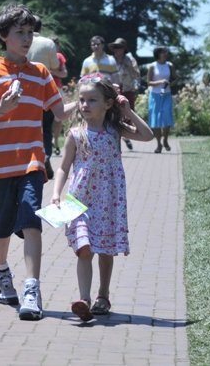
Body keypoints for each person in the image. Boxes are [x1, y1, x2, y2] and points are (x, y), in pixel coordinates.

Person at [0, 4, 76, 321]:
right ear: (4, 36)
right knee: (1, 229)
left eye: (30, 33)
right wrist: (1, 108)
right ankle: (1, 270)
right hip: (0, 165)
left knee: (31, 220)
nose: (27, 38)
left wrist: (86, 97)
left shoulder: (41, 74)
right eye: (20, 33)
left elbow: (58, 113)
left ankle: (32, 288)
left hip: (32, 162)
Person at [51, 73, 153, 322]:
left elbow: (147, 135)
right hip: (80, 201)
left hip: (109, 200)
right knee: (84, 249)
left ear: (108, 103)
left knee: (105, 249)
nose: (85, 105)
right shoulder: (75, 134)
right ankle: (84, 300)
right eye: (82, 100)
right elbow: (64, 166)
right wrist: (56, 193)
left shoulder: (114, 130)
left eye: (92, 100)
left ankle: (103, 295)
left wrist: (127, 111)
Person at [26, 15, 63, 179]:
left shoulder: (18, 41)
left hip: (25, 92)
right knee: (46, 129)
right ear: (40, 27)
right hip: (43, 92)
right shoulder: (48, 43)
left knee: (29, 128)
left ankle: (29, 161)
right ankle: (46, 156)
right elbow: (55, 65)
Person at [108, 37, 141, 150]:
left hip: (127, 90)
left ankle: (126, 135)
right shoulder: (110, 60)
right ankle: (118, 138)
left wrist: (129, 66)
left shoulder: (129, 60)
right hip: (114, 90)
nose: (117, 50)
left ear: (124, 49)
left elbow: (137, 74)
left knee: (128, 113)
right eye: (115, 47)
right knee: (113, 113)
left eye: (119, 47)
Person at [147, 46, 176, 153]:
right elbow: (149, 82)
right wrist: (160, 82)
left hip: (167, 94)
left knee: (167, 117)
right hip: (154, 95)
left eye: (165, 52)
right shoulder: (152, 66)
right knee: (156, 120)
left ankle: (166, 140)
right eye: (162, 52)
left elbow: (175, 78)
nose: (165, 54)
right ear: (157, 54)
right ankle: (158, 144)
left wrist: (170, 83)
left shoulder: (170, 65)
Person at [51, 37, 68, 156]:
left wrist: (51, 72)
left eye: (55, 44)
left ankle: (56, 142)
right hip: (43, 88)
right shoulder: (44, 54)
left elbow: (64, 73)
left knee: (58, 116)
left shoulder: (59, 56)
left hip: (56, 88)